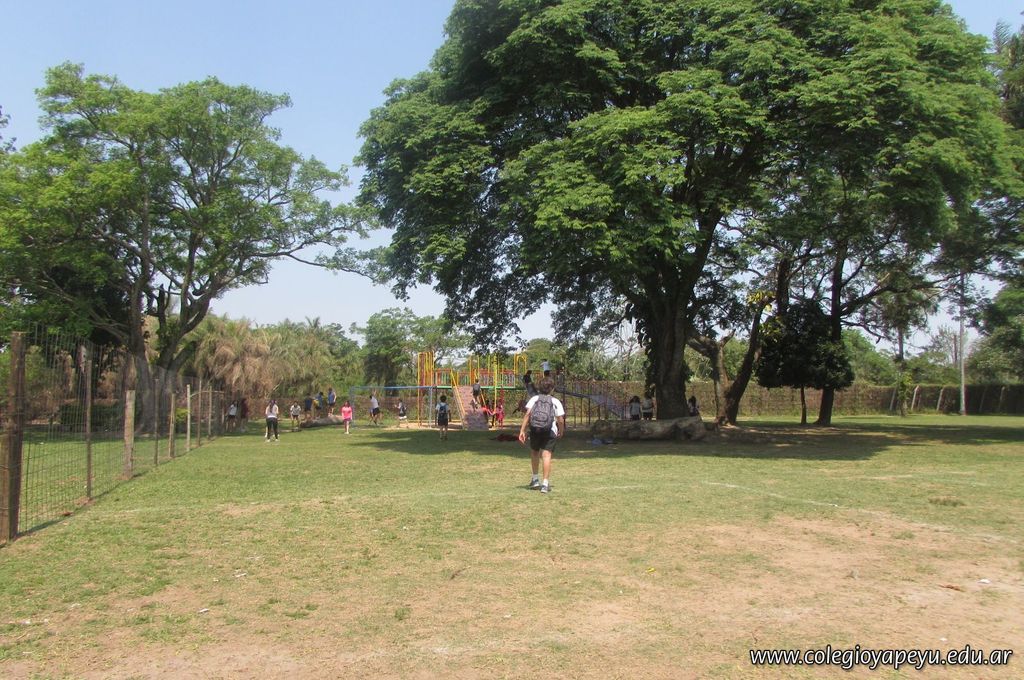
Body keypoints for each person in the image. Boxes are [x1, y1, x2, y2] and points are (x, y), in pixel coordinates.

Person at [518, 377, 566, 494]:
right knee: (546, 455)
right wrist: (561, 431)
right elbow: (560, 419)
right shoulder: (555, 401)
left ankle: (535, 479)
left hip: (535, 429)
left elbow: (527, 415)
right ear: (552, 389)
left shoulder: (534, 399)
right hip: (550, 430)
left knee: (534, 452)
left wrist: (522, 430)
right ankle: (545, 484)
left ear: (539, 388)